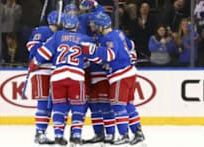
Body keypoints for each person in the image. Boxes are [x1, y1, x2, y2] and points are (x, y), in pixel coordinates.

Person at [82, 12, 146, 146]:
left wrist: (93, 50)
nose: (94, 26)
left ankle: (124, 135)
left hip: (120, 74)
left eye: (96, 24)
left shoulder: (108, 38)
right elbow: (131, 46)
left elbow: (110, 55)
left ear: (101, 25)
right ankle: (138, 133)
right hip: (129, 72)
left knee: (118, 105)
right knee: (128, 105)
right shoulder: (119, 33)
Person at [29, 14, 92, 146]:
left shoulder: (57, 36)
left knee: (58, 106)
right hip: (76, 76)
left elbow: (43, 53)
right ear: (77, 25)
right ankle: (76, 135)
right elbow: (90, 57)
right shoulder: (83, 38)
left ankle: (58, 136)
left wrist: (34, 62)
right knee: (78, 106)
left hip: (57, 75)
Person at [26, 10, 59, 145]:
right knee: (43, 102)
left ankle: (42, 132)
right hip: (41, 70)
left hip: (51, 71)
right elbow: (32, 47)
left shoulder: (57, 34)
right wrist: (47, 48)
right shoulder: (44, 31)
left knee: (49, 104)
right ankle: (39, 132)